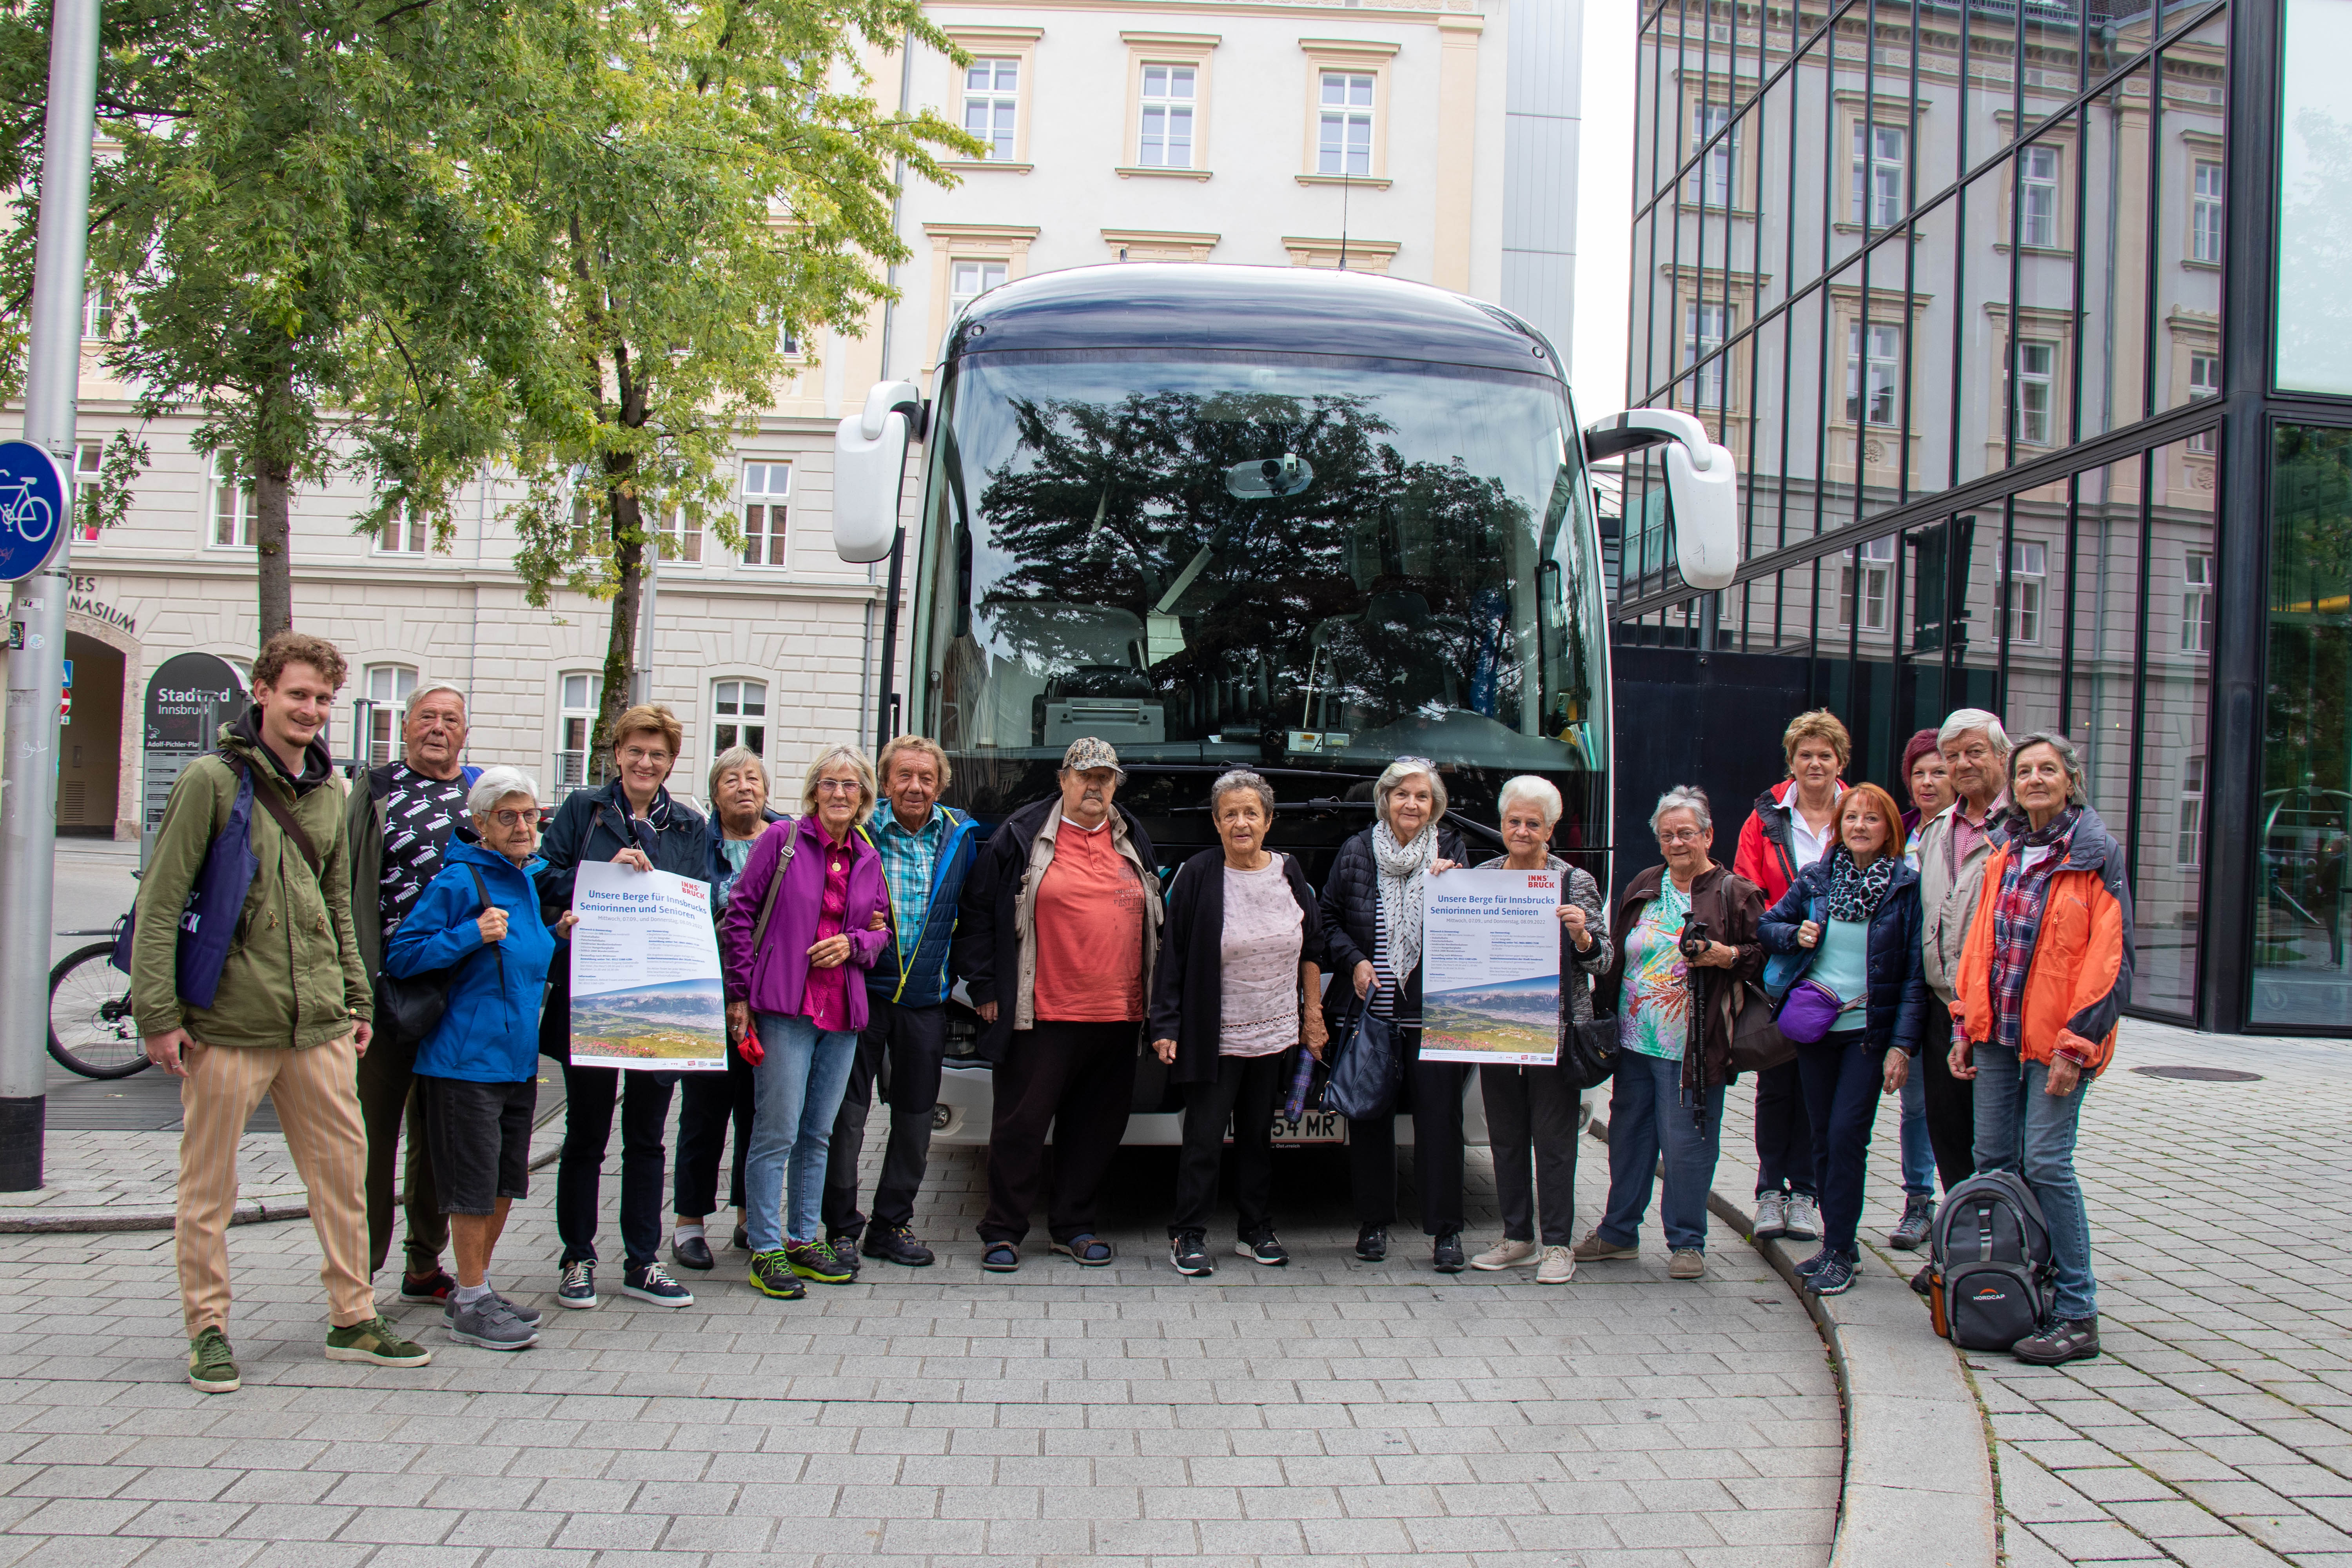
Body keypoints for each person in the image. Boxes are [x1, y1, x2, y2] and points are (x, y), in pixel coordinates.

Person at [132, 631, 430, 1394]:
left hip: (321, 1026)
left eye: (324, 699)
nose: (311, 709)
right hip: (230, 1023)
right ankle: (208, 1327)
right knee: (210, 1187)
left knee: (345, 1176)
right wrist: (159, 1014)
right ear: (262, 692)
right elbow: (163, 902)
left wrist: (356, 997)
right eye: (298, 693)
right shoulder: (212, 779)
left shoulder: (332, 792)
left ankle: (352, 1316)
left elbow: (339, 901)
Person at [1950, 732, 2132, 1367]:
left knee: (2048, 1162)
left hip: (2058, 1042)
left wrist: (2076, 1045)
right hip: (1996, 1036)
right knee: (1995, 1161)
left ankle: (2078, 1312)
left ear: (2069, 780)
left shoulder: (2095, 854)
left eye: (2047, 770)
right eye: (2024, 771)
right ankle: (2018, 1292)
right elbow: (1979, 945)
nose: (2034, 779)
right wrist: (1963, 1025)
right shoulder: (2006, 849)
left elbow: (2110, 962)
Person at [954, 738, 1163, 1272]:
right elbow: (978, 912)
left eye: (1106, 778)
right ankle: (1003, 1231)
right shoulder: (1021, 835)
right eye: (1085, 776)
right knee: (1021, 1127)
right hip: (1039, 1013)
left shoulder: (1131, 835)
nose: (1096, 787)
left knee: (1095, 1129)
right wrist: (984, 988)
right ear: (1063, 778)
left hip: (1117, 1015)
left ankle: (1073, 1226)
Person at [385, 767, 573, 1350]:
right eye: (507, 817)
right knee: (471, 1184)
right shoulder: (460, 881)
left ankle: (478, 1287)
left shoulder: (524, 878)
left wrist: (558, 932)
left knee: (503, 1181)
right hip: (463, 1062)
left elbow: (523, 951)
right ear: (481, 824)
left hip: (517, 1063)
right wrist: (470, 933)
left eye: (530, 816)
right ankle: (468, 1299)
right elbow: (403, 956)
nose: (522, 827)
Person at [537, 704, 708, 1311]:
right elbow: (541, 880)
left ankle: (643, 1260)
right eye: (636, 751)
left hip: (662, 1002)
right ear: (617, 754)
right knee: (584, 1134)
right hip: (594, 993)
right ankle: (577, 1258)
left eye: (657, 754)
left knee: (648, 1138)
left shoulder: (689, 825)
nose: (645, 762)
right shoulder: (584, 811)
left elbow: (704, 905)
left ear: (671, 762)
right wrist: (597, 875)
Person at [719, 745, 892, 1298]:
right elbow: (740, 913)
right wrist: (739, 993)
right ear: (814, 790)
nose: (839, 794)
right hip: (785, 1007)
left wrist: (855, 943)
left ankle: (801, 1238)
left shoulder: (868, 852)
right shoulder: (783, 840)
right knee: (777, 1132)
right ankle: (766, 1247)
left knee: (817, 1133)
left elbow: (883, 930)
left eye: (850, 786)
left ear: (864, 797)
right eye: (830, 783)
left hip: (841, 1012)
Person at [1579, 787, 1764, 1281]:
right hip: (1635, 1041)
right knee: (1629, 1139)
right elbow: (1618, 952)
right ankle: (1618, 1234)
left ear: (1708, 835)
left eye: (1686, 833)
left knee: (1687, 1145)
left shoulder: (1736, 892)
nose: (1677, 842)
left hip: (1694, 1047)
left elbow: (1765, 957)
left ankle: (1687, 1242)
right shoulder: (1644, 883)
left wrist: (1726, 956)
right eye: (1667, 835)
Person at [1151, 770, 1330, 1276]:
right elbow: (1174, 957)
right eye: (1230, 813)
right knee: (1204, 1139)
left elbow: (1313, 947)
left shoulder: (1290, 872)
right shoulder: (1198, 874)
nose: (1241, 822)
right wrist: (1166, 1024)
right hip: (1215, 1034)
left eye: (1251, 812)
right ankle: (1188, 1234)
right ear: (1216, 821)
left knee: (1259, 1139)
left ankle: (1255, 1230)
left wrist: (1311, 1017)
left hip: (1275, 1032)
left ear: (1269, 820)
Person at [1756, 783, 1927, 1297]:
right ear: (1839, 826)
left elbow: (1914, 976)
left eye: (1872, 819)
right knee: (1823, 1137)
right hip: (1816, 1030)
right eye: (1851, 818)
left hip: (1867, 1036)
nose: (1860, 826)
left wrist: (1902, 1045)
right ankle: (1838, 1248)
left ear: (1890, 829)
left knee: (1848, 1135)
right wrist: (1795, 935)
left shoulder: (1905, 887)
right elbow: (1769, 925)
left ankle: (1842, 1247)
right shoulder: (1817, 878)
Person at [347, 683, 481, 1308]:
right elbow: (343, 882)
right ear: (405, 727)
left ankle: (424, 1263)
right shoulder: (374, 792)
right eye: (426, 716)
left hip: (456, 993)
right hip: (385, 990)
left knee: (438, 1137)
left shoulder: (481, 796)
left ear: (465, 731)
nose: (438, 727)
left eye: (450, 719)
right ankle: (359, 1269)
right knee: (370, 1135)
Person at [824, 735, 980, 1268]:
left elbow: (975, 916)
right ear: (885, 783)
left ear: (940, 785)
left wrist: (976, 983)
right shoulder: (857, 831)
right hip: (857, 996)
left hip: (925, 1001)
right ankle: (842, 1228)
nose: (916, 787)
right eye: (905, 776)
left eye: (927, 778)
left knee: (915, 1121)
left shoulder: (962, 837)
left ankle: (891, 1226)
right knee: (846, 1118)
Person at [1318, 757, 1472, 1271]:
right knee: (1370, 1119)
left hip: (1435, 1019)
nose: (1412, 804)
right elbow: (1328, 917)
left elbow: (1471, 925)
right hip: (1372, 1016)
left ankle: (1446, 1234)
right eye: (1402, 794)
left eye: (1422, 797)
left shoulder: (1450, 850)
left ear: (1435, 806)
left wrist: (1454, 887)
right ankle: (1373, 1224)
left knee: (1440, 1126)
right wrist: (1356, 961)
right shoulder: (1358, 851)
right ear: (1385, 799)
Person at [1463, 776, 1609, 1285]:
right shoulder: (1481, 876)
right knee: (1504, 1137)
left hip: (1556, 1032)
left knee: (1554, 1141)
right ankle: (1518, 1238)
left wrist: (1582, 934)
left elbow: (1605, 961)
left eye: (1533, 823)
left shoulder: (1574, 882)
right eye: (1513, 822)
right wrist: (1444, 883)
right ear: (1502, 825)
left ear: (1550, 828)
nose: (1522, 831)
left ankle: (1558, 1245)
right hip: (1496, 1027)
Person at [1733, 709, 1850, 1246]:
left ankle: (1804, 1193)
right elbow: (1747, 889)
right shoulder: (1766, 816)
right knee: (1776, 1081)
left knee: (1817, 1086)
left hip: (1840, 970)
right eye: (1806, 754)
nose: (1815, 763)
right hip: (1782, 965)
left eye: (1825, 755)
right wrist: (1781, 933)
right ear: (1792, 761)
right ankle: (1768, 1191)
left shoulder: (1860, 811)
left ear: (1840, 762)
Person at [670, 746, 783, 1270]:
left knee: (758, 1114)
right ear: (715, 793)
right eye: (732, 779)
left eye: (753, 778)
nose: (744, 786)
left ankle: (746, 1217)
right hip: (710, 1001)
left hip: (775, 1001)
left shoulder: (789, 840)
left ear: (766, 789)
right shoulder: (695, 844)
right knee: (703, 1114)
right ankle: (689, 1223)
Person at [1915, 707, 2011, 1195]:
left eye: (1975, 752)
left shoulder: (2023, 829)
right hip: (1940, 1006)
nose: (1962, 764)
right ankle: (1961, 1247)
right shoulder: (1935, 834)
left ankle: (2011, 1257)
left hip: (1997, 1015)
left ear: (2002, 755)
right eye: (1953, 756)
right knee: (1948, 1138)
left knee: (1999, 1148)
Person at [1888, 728, 1953, 1249]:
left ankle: (1964, 1208)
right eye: (1919, 773)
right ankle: (1918, 1202)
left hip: (1954, 991)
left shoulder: (1975, 833)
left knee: (1950, 1105)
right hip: (1907, 984)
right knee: (1915, 1105)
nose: (1928, 782)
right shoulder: (1902, 832)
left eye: (1938, 771)